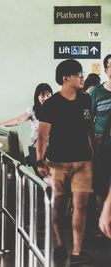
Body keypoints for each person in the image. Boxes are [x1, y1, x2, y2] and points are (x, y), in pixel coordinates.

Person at [36, 59, 93, 265]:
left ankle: (77, 251)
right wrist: (40, 160)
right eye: (79, 74)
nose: (82, 77)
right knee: (59, 205)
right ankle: (60, 243)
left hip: (83, 162)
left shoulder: (86, 99)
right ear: (65, 78)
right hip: (58, 162)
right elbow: (43, 135)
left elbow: (89, 131)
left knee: (81, 206)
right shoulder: (51, 104)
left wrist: (93, 154)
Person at [0, 83, 53, 167]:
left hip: (52, 148)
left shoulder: (57, 109)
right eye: (42, 96)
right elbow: (18, 120)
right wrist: (2, 124)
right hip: (36, 148)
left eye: (48, 95)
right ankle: (25, 161)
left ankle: (25, 161)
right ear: (37, 97)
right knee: (40, 175)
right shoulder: (33, 111)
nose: (46, 98)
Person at [90, 54, 111, 236]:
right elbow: (89, 119)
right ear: (105, 70)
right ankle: (101, 224)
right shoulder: (96, 92)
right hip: (102, 145)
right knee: (101, 184)